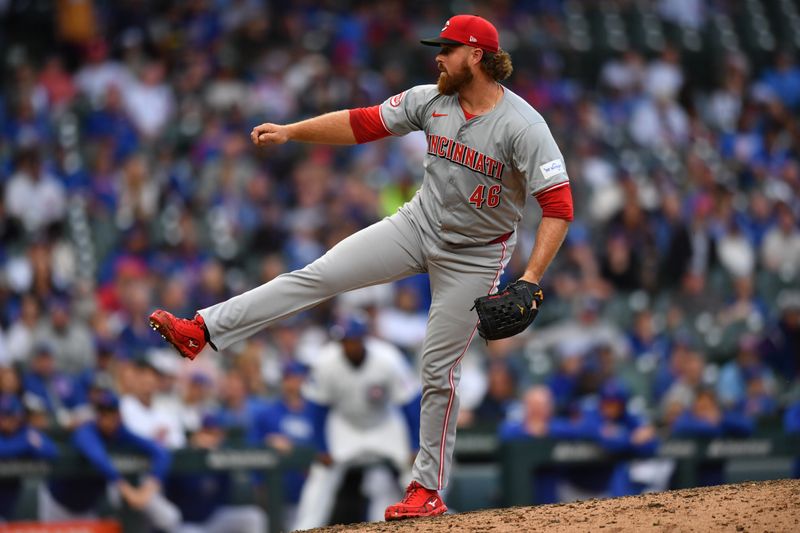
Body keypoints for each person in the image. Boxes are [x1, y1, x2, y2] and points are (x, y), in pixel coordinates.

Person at [149, 13, 573, 520]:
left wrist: (529, 279)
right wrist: (291, 132)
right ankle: (202, 329)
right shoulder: (430, 99)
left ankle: (427, 490)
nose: (437, 56)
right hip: (418, 225)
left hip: (477, 253)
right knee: (319, 274)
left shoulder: (523, 126)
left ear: (477, 55)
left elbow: (559, 206)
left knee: (438, 367)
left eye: (447, 48)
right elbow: (362, 122)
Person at [292, 314, 422, 528]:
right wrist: (322, 447)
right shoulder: (326, 361)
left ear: (363, 338)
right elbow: (317, 407)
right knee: (321, 475)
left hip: (385, 423)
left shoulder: (387, 357)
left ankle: (433, 523)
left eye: (353, 339)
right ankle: (305, 528)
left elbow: (408, 403)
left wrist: (413, 444)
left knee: (416, 469)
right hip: (345, 424)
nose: (349, 345)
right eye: (345, 340)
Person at [41, 391, 181, 531]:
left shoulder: (121, 432)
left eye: (111, 413)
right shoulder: (85, 431)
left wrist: (149, 489)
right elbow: (98, 458)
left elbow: (161, 453)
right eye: (103, 414)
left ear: (118, 415)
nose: (107, 418)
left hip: (86, 508)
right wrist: (128, 491)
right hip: (59, 503)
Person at [165, 413, 267, 533]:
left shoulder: (221, 458)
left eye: (215, 434)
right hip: (187, 523)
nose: (210, 438)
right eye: (207, 432)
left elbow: (224, 494)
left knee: (253, 517)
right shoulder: (181, 456)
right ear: (195, 434)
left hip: (213, 518)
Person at [0, 394, 58, 521]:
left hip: (10, 502)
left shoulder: (25, 431)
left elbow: (51, 451)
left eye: (10, 416)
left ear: (18, 416)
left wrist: (22, 443)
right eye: (3, 416)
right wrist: (25, 444)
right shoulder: (25, 438)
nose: (6, 420)